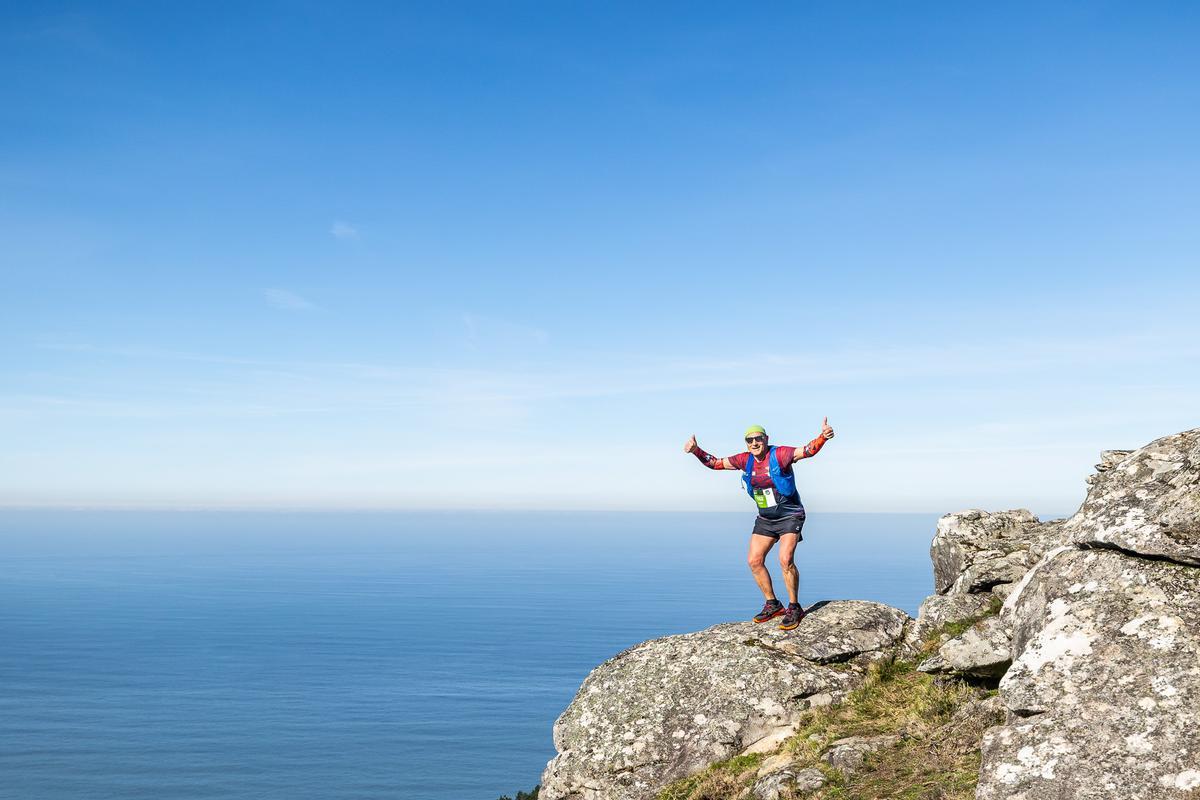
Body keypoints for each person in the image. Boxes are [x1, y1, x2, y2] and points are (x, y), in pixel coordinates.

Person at [684, 419, 835, 630]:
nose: (754, 443)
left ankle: (794, 607)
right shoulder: (744, 460)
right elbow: (715, 463)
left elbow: (807, 451)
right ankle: (773, 604)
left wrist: (823, 437)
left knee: (785, 560)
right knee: (754, 561)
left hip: (790, 515)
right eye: (750, 440)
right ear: (746, 443)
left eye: (758, 438)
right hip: (766, 518)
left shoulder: (780, 454)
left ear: (766, 439)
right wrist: (696, 451)